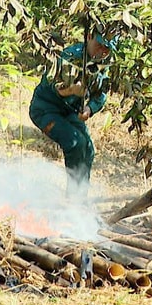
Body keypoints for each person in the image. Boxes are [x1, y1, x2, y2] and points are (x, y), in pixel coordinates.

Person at [29, 25, 117, 193]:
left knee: (88, 149)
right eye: (100, 44)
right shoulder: (71, 55)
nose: (102, 51)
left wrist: (89, 109)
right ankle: (74, 198)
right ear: (89, 36)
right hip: (46, 109)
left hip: (70, 112)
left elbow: (101, 94)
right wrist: (71, 90)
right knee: (76, 144)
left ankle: (80, 198)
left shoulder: (104, 63)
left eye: (107, 48)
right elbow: (54, 84)